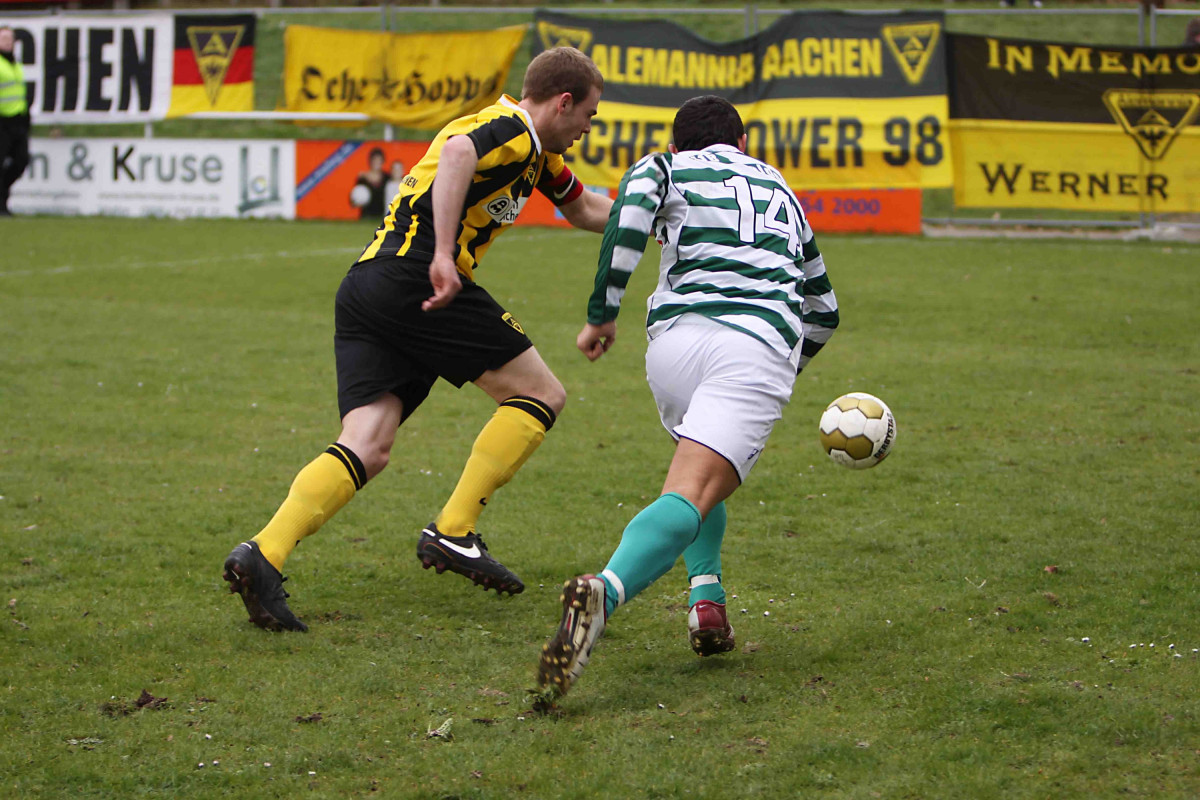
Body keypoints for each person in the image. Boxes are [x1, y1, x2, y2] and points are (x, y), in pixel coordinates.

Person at [222, 47, 612, 632]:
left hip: (370, 284)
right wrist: (443, 254)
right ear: (563, 102)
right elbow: (457, 154)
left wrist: (656, 216)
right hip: (416, 278)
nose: (588, 127)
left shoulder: (538, 154)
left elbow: (585, 209)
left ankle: (263, 553)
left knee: (368, 443)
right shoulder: (512, 128)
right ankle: (454, 530)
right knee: (542, 393)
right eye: (589, 114)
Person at [535, 95, 839, 699]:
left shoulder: (665, 165)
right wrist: (779, 369)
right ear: (743, 143)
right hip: (752, 346)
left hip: (672, 347)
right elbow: (824, 310)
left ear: (677, 145)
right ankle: (604, 593)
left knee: (692, 467)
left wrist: (602, 312)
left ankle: (707, 599)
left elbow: (628, 216)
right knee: (693, 489)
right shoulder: (781, 188)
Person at [0, 26, 30, 217]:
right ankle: (1, 205)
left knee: (21, 160)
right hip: (2, 120)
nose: (8, 42)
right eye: (4, 38)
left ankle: (2, 193)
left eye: (10, 39)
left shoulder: (15, 64)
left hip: (17, 120)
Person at [353, 147, 388, 220]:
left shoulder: (387, 178)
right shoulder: (362, 179)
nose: (376, 162)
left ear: (382, 161)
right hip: (366, 216)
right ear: (370, 161)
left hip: (382, 216)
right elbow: (354, 199)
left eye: (379, 160)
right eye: (374, 160)